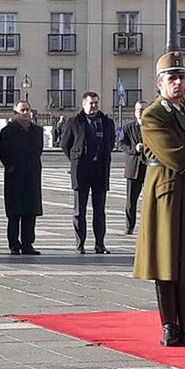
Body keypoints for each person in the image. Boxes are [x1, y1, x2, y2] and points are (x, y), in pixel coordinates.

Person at [134, 52, 185, 347]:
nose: (178, 83)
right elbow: (176, 155)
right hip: (165, 194)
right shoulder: (153, 115)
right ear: (159, 84)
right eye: (172, 78)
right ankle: (170, 325)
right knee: (167, 262)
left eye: (181, 78)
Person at [61, 91, 115, 254]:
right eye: (91, 103)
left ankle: (100, 244)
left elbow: (110, 142)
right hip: (81, 171)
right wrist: (76, 158)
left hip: (100, 170)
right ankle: (80, 244)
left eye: (96, 103)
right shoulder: (74, 121)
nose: (94, 106)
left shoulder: (106, 122)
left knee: (100, 210)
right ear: (83, 104)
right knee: (79, 211)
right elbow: (65, 144)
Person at [0, 100, 43, 255]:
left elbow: (38, 150)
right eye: (22, 110)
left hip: (31, 175)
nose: (25, 113)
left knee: (30, 212)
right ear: (15, 113)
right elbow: (3, 152)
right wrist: (11, 166)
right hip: (14, 175)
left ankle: (28, 243)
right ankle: (14, 244)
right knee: (14, 213)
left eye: (27, 110)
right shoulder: (8, 131)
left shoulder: (37, 130)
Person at [119, 101, 148, 235]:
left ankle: (149, 226)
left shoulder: (152, 126)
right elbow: (121, 144)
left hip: (149, 167)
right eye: (137, 110)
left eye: (142, 109)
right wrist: (134, 149)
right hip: (134, 168)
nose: (140, 112)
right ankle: (129, 226)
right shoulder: (128, 127)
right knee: (131, 200)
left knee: (150, 200)